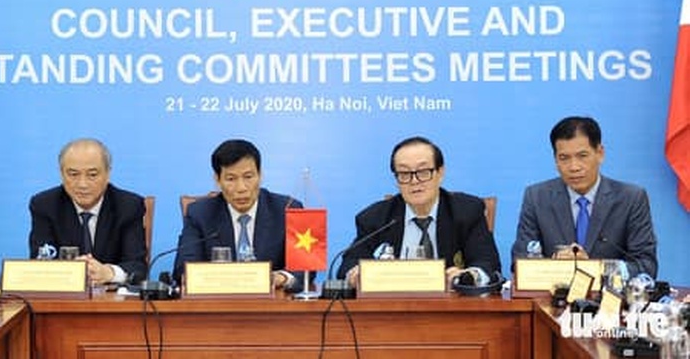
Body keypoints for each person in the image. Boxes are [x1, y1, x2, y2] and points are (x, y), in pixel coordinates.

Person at [338, 136, 501, 285]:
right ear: (396, 180)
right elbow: (347, 266)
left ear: (440, 172)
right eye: (404, 173)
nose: (414, 181)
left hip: (451, 309)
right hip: (392, 309)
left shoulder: (466, 211)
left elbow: (488, 264)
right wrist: (355, 274)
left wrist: (469, 276)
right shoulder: (375, 218)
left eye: (423, 172)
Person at [512, 116, 657, 277]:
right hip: (554, 297)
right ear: (555, 161)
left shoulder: (631, 198)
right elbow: (520, 261)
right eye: (564, 158)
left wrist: (595, 268)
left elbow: (646, 266)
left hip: (610, 298)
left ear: (600, 153)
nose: (574, 167)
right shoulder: (537, 197)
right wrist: (555, 263)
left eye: (582, 156)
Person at [172, 138, 305, 291]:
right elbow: (183, 269)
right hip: (218, 307)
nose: (241, 188)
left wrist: (281, 278)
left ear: (260, 175)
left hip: (272, 308)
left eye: (248, 177)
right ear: (218, 180)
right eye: (231, 179)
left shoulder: (287, 210)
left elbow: (304, 267)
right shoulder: (200, 214)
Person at [29, 138, 148, 284]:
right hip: (64, 299)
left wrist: (109, 273)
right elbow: (40, 261)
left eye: (92, 175)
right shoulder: (45, 205)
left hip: (112, 301)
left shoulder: (128, 206)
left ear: (108, 173)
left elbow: (137, 266)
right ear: (61, 173)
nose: (82, 184)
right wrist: (70, 271)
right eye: (73, 174)